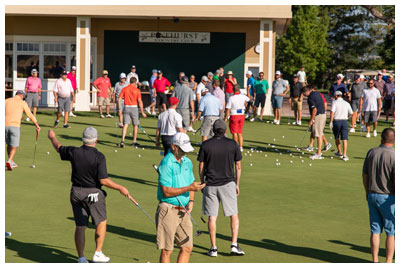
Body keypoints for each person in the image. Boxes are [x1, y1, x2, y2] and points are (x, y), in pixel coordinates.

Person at [47, 127, 132, 263]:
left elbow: (58, 147)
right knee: (101, 222)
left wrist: (52, 137)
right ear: (96, 140)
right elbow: (103, 180)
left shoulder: (74, 151)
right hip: (94, 194)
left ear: (83, 139)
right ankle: (98, 253)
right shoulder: (99, 157)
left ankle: (81, 258)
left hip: (76, 192)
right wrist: (120, 188)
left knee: (80, 225)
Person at [198, 119, 245, 257]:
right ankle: (234, 245)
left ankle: (213, 248)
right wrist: (237, 184)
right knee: (233, 215)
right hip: (228, 184)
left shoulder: (206, 144)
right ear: (225, 131)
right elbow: (238, 166)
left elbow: (201, 166)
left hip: (210, 184)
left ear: (213, 130)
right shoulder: (233, 144)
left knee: (212, 217)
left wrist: (202, 182)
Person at [156, 132, 205, 263]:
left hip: (183, 211)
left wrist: (191, 201)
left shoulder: (187, 162)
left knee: (187, 247)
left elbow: (191, 183)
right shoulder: (166, 163)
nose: (184, 153)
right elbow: (166, 191)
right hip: (168, 210)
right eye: (182, 150)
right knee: (167, 250)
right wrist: (189, 189)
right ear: (174, 147)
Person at [362, 128, 395, 263]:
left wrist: (367, 191)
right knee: (391, 232)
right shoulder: (394, 155)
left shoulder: (372, 152)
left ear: (381, 138)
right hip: (388, 197)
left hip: (372, 195)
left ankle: (375, 261)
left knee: (375, 230)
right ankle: (388, 262)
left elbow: (365, 174)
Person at [5, 90, 40, 170]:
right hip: (15, 126)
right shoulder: (22, 103)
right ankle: (10, 160)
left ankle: (11, 161)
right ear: (22, 96)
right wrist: (36, 124)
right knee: (14, 145)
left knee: (8, 144)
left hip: (4, 125)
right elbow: (29, 114)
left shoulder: (6, 101)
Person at [118, 77, 147, 148]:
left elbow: (119, 99)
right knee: (135, 125)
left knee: (125, 125)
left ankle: (122, 140)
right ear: (135, 82)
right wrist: (142, 112)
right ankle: (134, 141)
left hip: (126, 107)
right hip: (134, 108)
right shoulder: (137, 90)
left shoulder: (124, 89)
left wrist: (119, 108)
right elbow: (140, 101)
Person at [303, 85, 327, 160]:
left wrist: (311, 120)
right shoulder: (317, 93)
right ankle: (319, 152)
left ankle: (319, 153)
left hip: (318, 116)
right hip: (323, 115)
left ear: (307, 91)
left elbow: (314, 110)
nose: (304, 95)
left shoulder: (310, 98)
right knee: (319, 133)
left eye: (304, 94)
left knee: (318, 135)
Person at [329, 91, 353, 161]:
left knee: (337, 137)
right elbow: (351, 113)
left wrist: (330, 122)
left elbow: (332, 112)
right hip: (344, 122)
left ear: (336, 96)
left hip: (336, 121)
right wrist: (346, 117)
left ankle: (339, 151)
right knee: (344, 139)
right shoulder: (346, 103)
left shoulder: (334, 102)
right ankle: (344, 155)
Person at [225, 84, 249, 151]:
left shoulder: (231, 98)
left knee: (234, 133)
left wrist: (226, 118)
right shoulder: (243, 96)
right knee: (240, 132)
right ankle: (241, 147)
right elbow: (248, 99)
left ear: (233, 90)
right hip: (241, 115)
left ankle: (235, 147)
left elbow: (228, 109)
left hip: (234, 115)